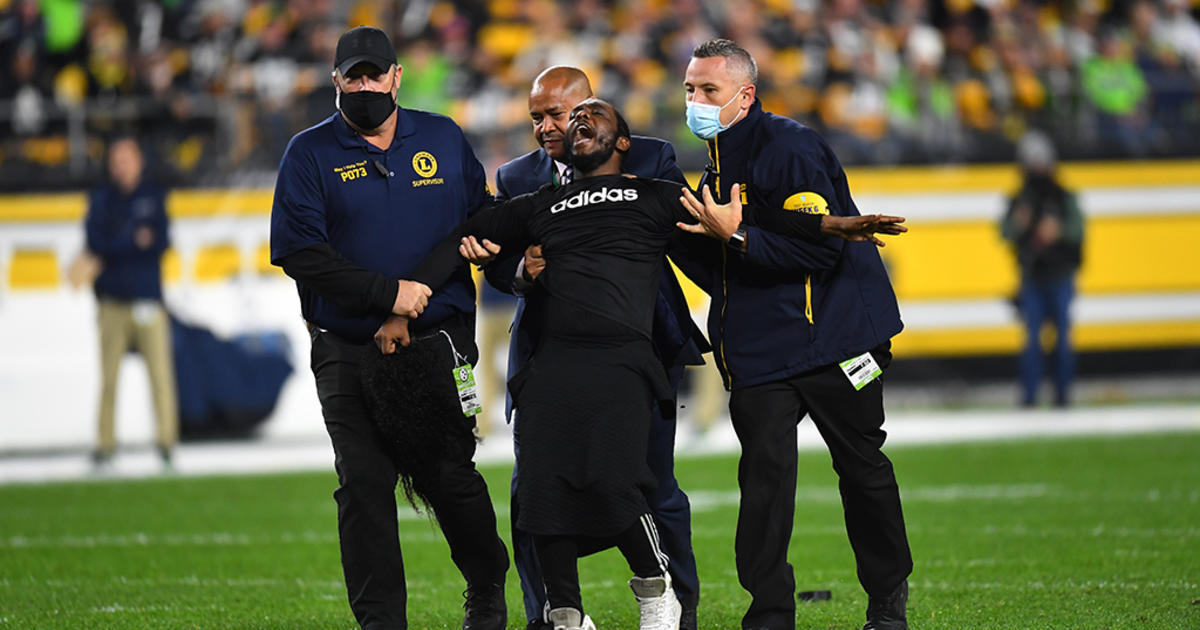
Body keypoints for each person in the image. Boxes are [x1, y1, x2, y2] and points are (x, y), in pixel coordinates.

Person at [390, 98, 906, 630]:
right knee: (539, 488)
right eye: (574, 120)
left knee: (621, 482)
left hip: (626, 363)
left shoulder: (654, 194)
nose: (579, 122)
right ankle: (564, 611)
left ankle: (657, 595)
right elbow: (464, 236)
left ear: (622, 143)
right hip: (551, 365)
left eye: (595, 116)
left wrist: (829, 224)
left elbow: (748, 217)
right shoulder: (540, 202)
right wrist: (406, 299)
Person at [268, 25, 508, 630]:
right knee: (364, 485)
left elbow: (474, 221)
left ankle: (486, 586)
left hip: (438, 341)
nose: (366, 85)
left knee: (450, 476)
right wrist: (383, 298)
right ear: (336, 82)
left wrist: (403, 307)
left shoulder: (444, 137)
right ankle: (381, 624)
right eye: (354, 76)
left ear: (397, 76)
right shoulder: (307, 153)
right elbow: (300, 252)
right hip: (347, 346)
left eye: (376, 74)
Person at [677, 39, 913, 630]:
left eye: (709, 90)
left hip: (833, 342)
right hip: (762, 352)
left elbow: (819, 251)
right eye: (689, 89)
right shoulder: (716, 162)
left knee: (861, 467)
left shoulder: (791, 147)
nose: (696, 100)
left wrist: (734, 237)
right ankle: (770, 614)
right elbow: (731, 269)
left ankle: (887, 600)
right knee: (762, 486)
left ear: (745, 94)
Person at [483, 65, 707, 630]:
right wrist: (520, 272)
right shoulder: (515, 178)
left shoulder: (648, 157)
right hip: (549, 355)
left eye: (558, 114)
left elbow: (687, 233)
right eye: (537, 117)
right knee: (533, 487)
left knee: (652, 481)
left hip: (639, 348)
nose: (548, 127)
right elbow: (493, 259)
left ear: (591, 107)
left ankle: (675, 610)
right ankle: (554, 615)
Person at [84, 135, 178, 470]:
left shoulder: (152, 196)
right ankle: (105, 444)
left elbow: (161, 242)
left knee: (160, 377)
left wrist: (116, 245)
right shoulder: (102, 199)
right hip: (112, 303)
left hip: (149, 301)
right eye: (117, 158)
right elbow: (95, 243)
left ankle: (166, 443)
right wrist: (132, 239)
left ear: (138, 159)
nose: (121, 164)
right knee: (109, 378)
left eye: (127, 157)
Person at [1001, 131, 1084, 408]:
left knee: (1061, 339)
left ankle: (1063, 396)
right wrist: (1019, 223)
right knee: (1032, 340)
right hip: (1033, 276)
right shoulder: (1021, 199)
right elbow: (1005, 232)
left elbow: (1077, 231)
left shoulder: (1062, 196)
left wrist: (1057, 232)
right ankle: (1030, 397)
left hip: (1060, 275)